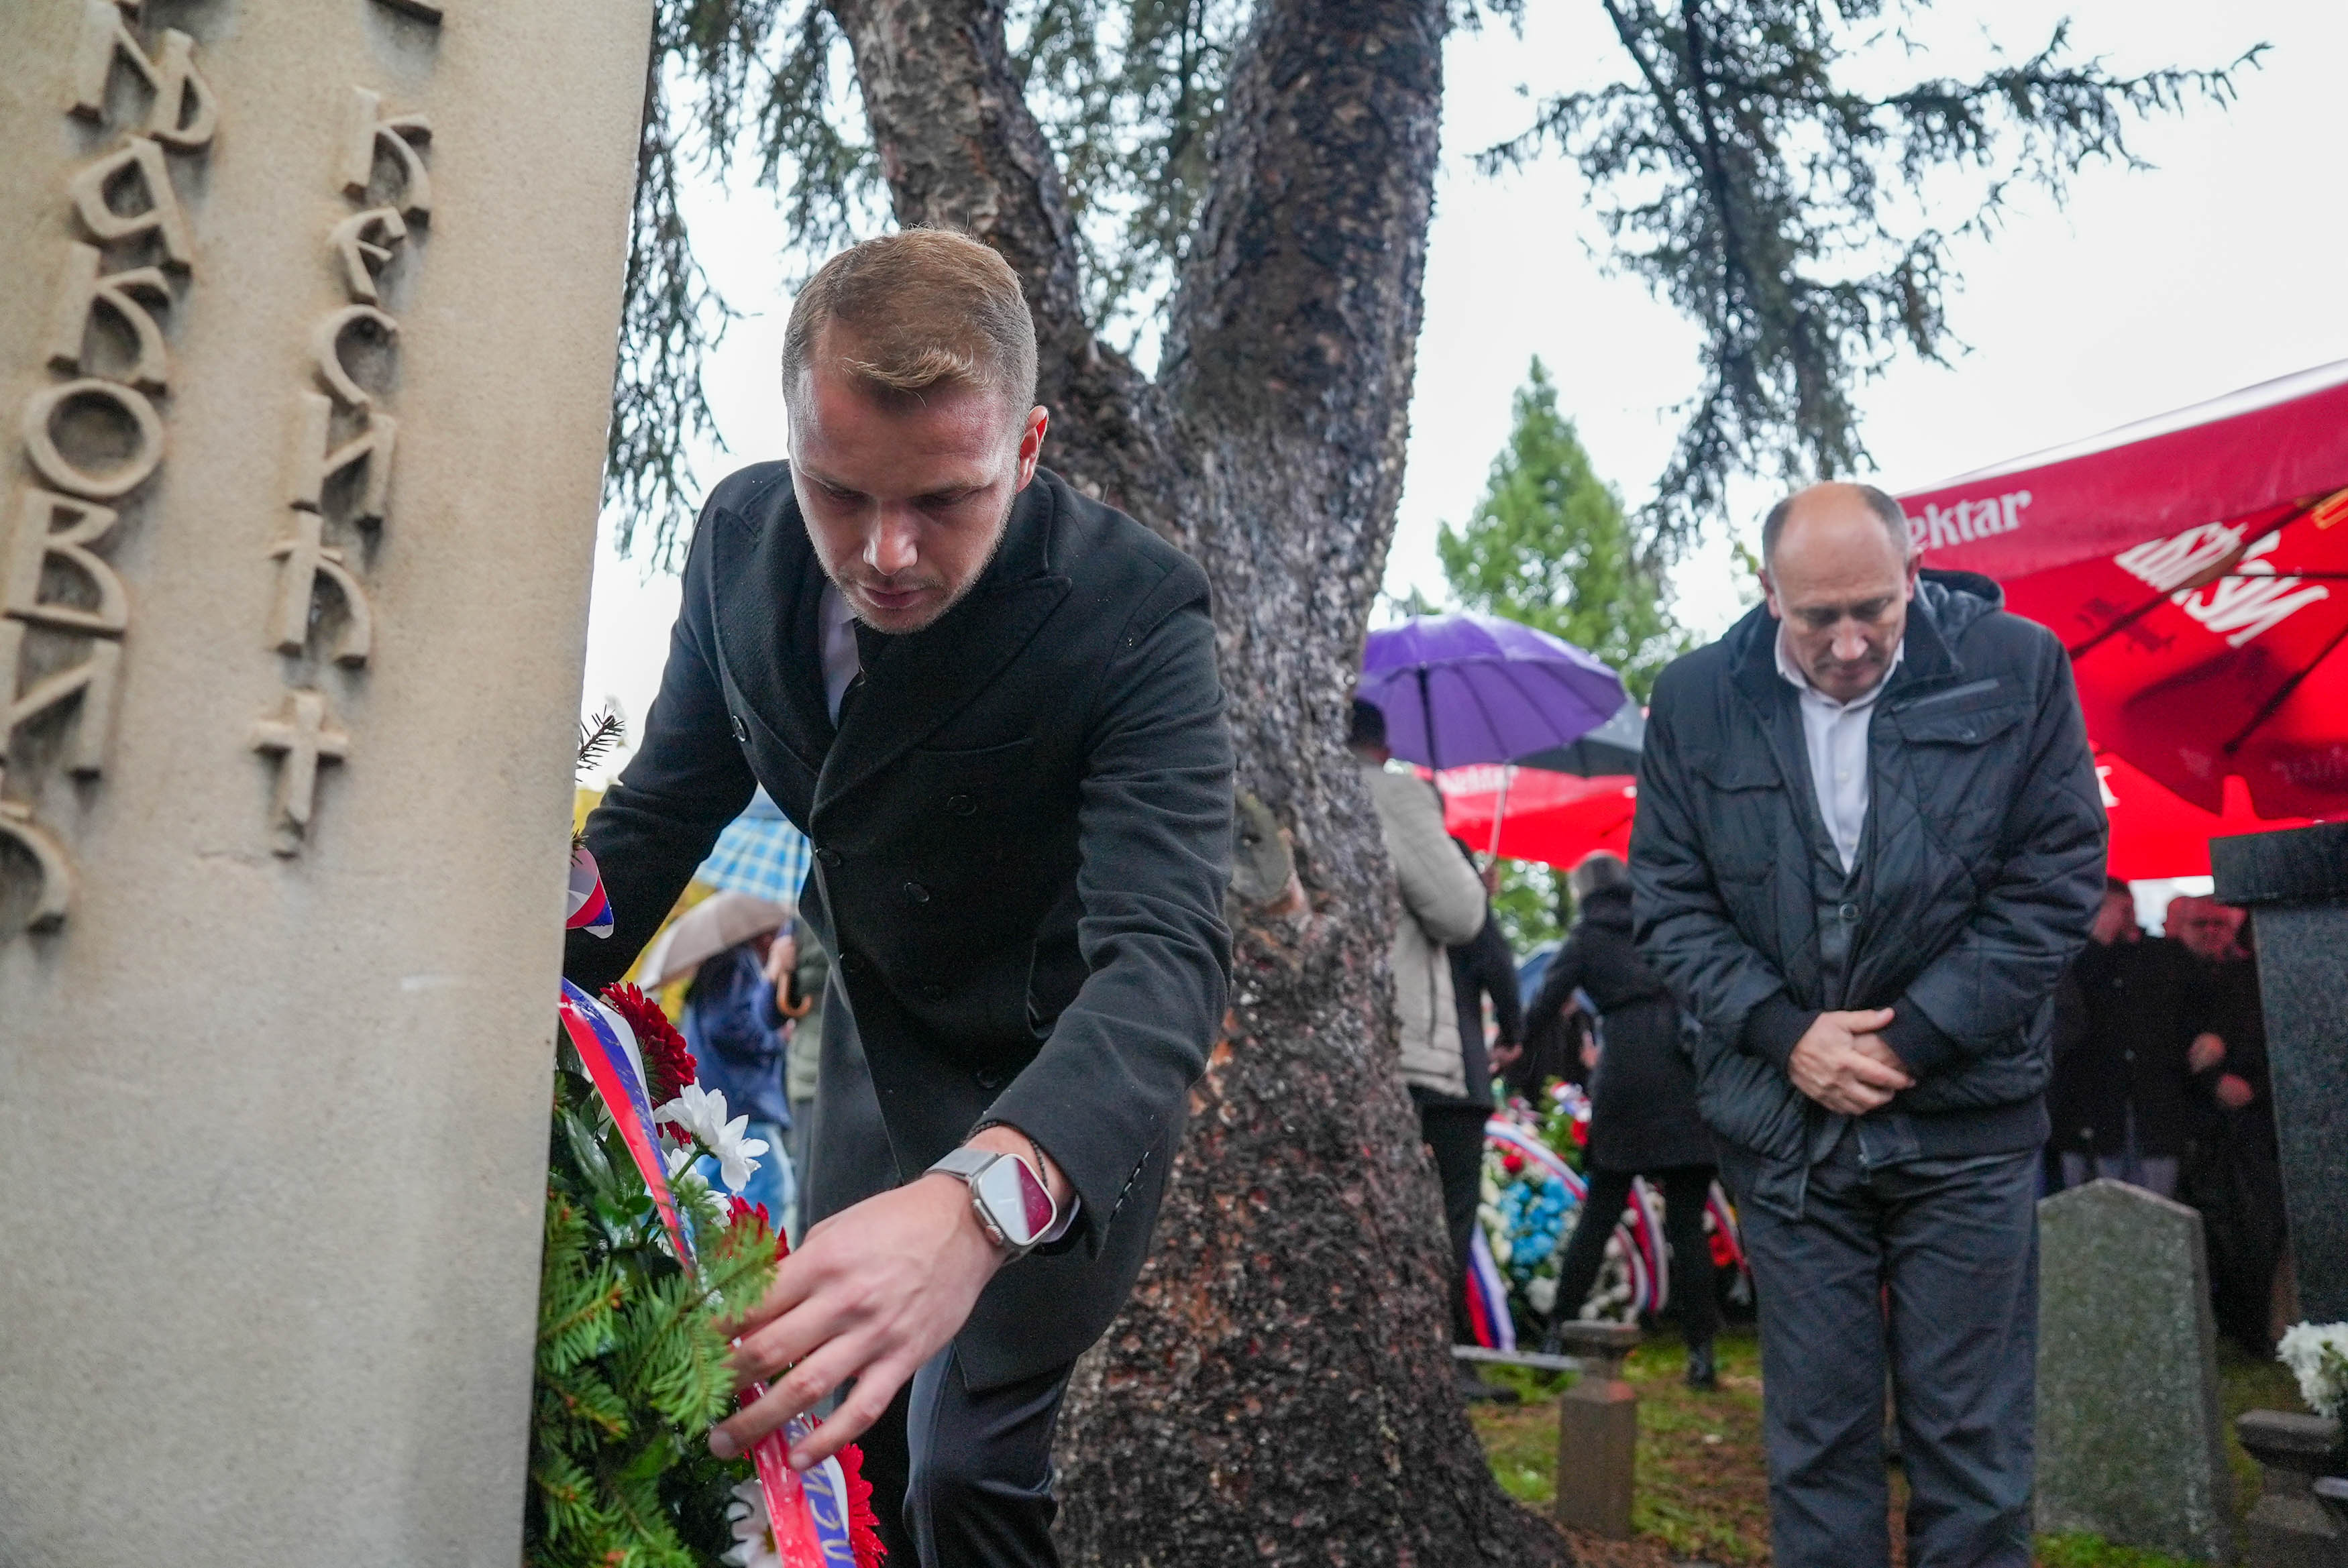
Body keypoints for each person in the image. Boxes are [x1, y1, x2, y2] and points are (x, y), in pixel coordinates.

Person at [566, 229, 1234, 1568]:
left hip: (1059, 1076)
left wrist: (984, 1199)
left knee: (965, 1471)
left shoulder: (1137, 613)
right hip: (869, 1059)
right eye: (837, 491)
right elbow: (655, 815)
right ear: (795, 439)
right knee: (824, 1447)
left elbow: (1166, 959)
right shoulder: (736, 541)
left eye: (945, 499)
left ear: (1029, 446)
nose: (883, 553)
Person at [1632, 482, 2104, 1568]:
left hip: (1966, 1120)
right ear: (1766, 594)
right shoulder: (1697, 696)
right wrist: (1785, 1031)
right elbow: (1669, 898)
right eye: (1816, 618)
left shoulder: (2019, 665)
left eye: (1874, 611)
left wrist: (1911, 1037)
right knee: (1817, 1446)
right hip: (1785, 1128)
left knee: (1973, 1448)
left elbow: (2058, 877)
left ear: (1914, 572)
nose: (1849, 644)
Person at [1348, 700, 1500, 1401]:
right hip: (1410, 1049)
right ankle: (1433, 1365)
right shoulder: (1392, 794)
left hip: (1322, 1046)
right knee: (1439, 1213)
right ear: (1380, 742)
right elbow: (1459, 914)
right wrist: (1474, 884)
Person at [1525, 851, 1719, 1386]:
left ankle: (1554, 1334)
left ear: (1583, 891)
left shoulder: (1588, 938)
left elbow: (1546, 1002)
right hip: (1683, 1078)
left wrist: (1509, 1043)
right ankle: (1702, 1355)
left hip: (1627, 1077)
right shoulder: (1662, 923)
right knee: (1688, 1222)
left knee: (1600, 1213)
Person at [2172, 896, 2286, 1355]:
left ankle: (2254, 1328)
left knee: (2258, 1229)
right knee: (2214, 1231)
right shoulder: (2175, 977)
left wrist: (2251, 1087)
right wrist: (2215, 1080)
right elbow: (2174, 1045)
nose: (2212, 932)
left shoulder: (2255, 978)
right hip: (2200, 1125)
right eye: (2201, 923)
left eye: (2220, 923)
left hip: (2256, 1125)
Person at [2049, 878, 2206, 1198]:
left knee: (2159, 1209)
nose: (2127, 918)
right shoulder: (2071, 962)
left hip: (2154, 1110)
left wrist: (2211, 1036)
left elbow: (2197, 1008)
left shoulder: (2164, 957)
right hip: (2088, 1110)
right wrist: (2096, 942)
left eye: (2128, 909)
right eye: (2119, 910)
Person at [681, 919, 797, 1229]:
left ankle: (690, 1264)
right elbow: (729, 1025)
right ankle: (755, 1270)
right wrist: (777, 1037)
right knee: (770, 1191)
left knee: (704, 1194)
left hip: (722, 1094)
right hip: (742, 1100)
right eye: (774, 932)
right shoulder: (738, 962)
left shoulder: (723, 963)